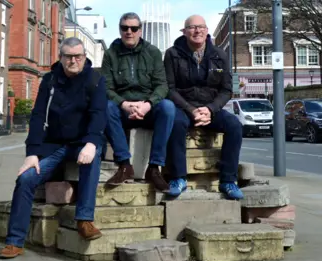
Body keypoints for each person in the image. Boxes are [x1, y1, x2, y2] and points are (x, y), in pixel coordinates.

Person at [0, 37, 108, 259]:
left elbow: (99, 114)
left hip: (81, 143)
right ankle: (14, 241)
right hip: (54, 146)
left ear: (84, 57)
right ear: (61, 57)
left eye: (78, 56)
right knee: (26, 179)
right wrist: (32, 154)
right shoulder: (49, 80)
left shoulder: (96, 80)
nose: (73, 60)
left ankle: (84, 220)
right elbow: (38, 117)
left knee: (92, 158)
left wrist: (91, 142)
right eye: (68, 56)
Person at [164, 15, 244, 200]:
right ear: (184, 32)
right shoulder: (172, 54)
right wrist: (191, 109)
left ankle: (228, 181)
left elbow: (226, 89)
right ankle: (178, 178)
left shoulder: (220, 55)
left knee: (234, 125)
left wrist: (210, 109)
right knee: (175, 123)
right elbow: (169, 88)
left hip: (210, 108)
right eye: (192, 27)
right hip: (184, 108)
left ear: (207, 30)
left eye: (201, 27)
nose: (197, 31)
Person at [101, 12, 175, 192]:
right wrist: (124, 104)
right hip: (123, 109)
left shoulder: (153, 52)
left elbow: (162, 86)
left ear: (140, 31)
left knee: (168, 107)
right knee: (105, 106)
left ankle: (154, 168)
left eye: (134, 28)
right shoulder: (111, 54)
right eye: (125, 28)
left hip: (147, 108)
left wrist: (148, 104)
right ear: (120, 30)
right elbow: (106, 88)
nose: (129, 32)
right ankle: (125, 165)